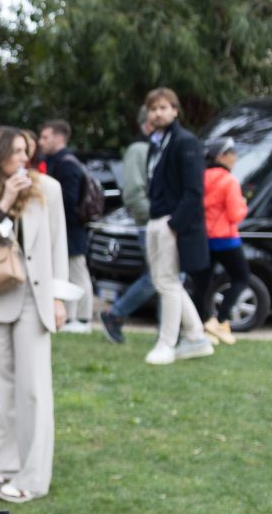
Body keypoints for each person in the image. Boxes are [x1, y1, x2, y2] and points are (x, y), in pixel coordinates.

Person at [0, 127, 74, 503]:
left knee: (34, 390)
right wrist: (4, 204)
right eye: (16, 152)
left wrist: (58, 298)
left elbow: (58, 243)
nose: (24, 158)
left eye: (27, 151)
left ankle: (34, 477)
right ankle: (6, 464)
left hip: (34, 299)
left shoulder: (47, 189)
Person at [136, 88, 213, 367]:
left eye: (163, 108)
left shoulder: (185, 141)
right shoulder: (157, 143)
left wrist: (174, 224)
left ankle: (166, 343)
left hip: (171, 221)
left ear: (175, 110)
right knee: (164, 281)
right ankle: (196, 337)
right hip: (158, 219)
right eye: (153, 109)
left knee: (167, 282)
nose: (157, 113)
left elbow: (194, 191)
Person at [99, 112, 157, 344]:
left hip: (159, 224)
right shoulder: (139, 149)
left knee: (168, 278)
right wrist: (154, 217)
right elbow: (133, 192)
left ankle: (170, 333)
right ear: (147, 124)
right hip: (150, 225)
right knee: (158, 277)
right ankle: (115, 313)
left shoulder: (158, 149)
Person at [36, 120, 97, 330]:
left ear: (59, 137)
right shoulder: (56, 161)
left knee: (77, 271)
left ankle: (83, 318)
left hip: (72, 228)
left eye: (46, 137)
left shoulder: (68, 164)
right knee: (70, 272)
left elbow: (69, 200)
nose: (41, 141)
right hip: (67, 227)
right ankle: (72, 318)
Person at [200, 137, 251, 344]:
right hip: (226, 239)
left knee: (204, 284)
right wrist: (243, 204)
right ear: (221, 156)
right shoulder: (229, 181)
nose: (235, 158)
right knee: (241, 277)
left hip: (205, 238)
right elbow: (235, 214)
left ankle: (204, 324)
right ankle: (220, 320)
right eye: (232, 154)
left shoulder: (201, 177)